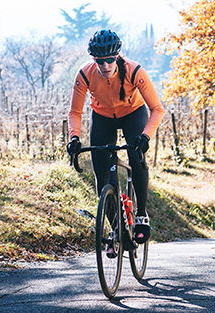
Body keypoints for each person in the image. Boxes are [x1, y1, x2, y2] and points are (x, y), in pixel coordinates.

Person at [66, 29, 164, 244]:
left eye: (110, 60)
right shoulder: (85, 74)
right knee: (101, 177)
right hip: (102, 117)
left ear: (118, 56)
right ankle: (116, 227)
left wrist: (145, 137)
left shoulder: (134, 71)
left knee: (136, 157)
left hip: (133, 114)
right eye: (100, 61)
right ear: (94, 59)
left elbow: (157, 108)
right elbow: (75, 112)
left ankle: (141, 213)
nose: (106, 66)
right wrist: (74, 138)